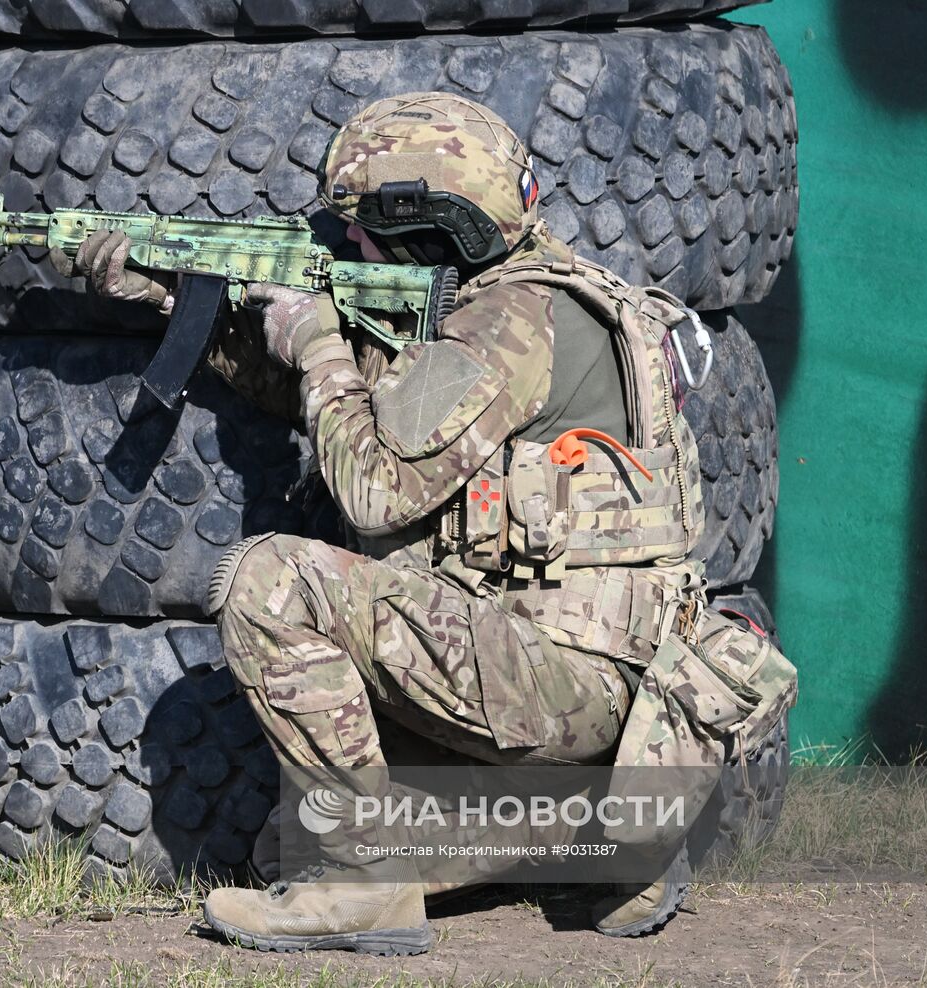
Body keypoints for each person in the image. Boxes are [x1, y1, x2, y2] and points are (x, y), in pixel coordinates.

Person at [53, 92, 795, 955]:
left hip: (566, 681)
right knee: (282, 847)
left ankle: (365, 888)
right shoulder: (533, 298)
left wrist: (318, 344)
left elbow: (374, 487)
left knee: (273, 582)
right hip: (586, 677)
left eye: (367, 228)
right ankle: (600, 827)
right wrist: (174, 297)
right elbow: (362, 407)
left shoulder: (509, 326)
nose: (349, 239)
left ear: (438, 228)